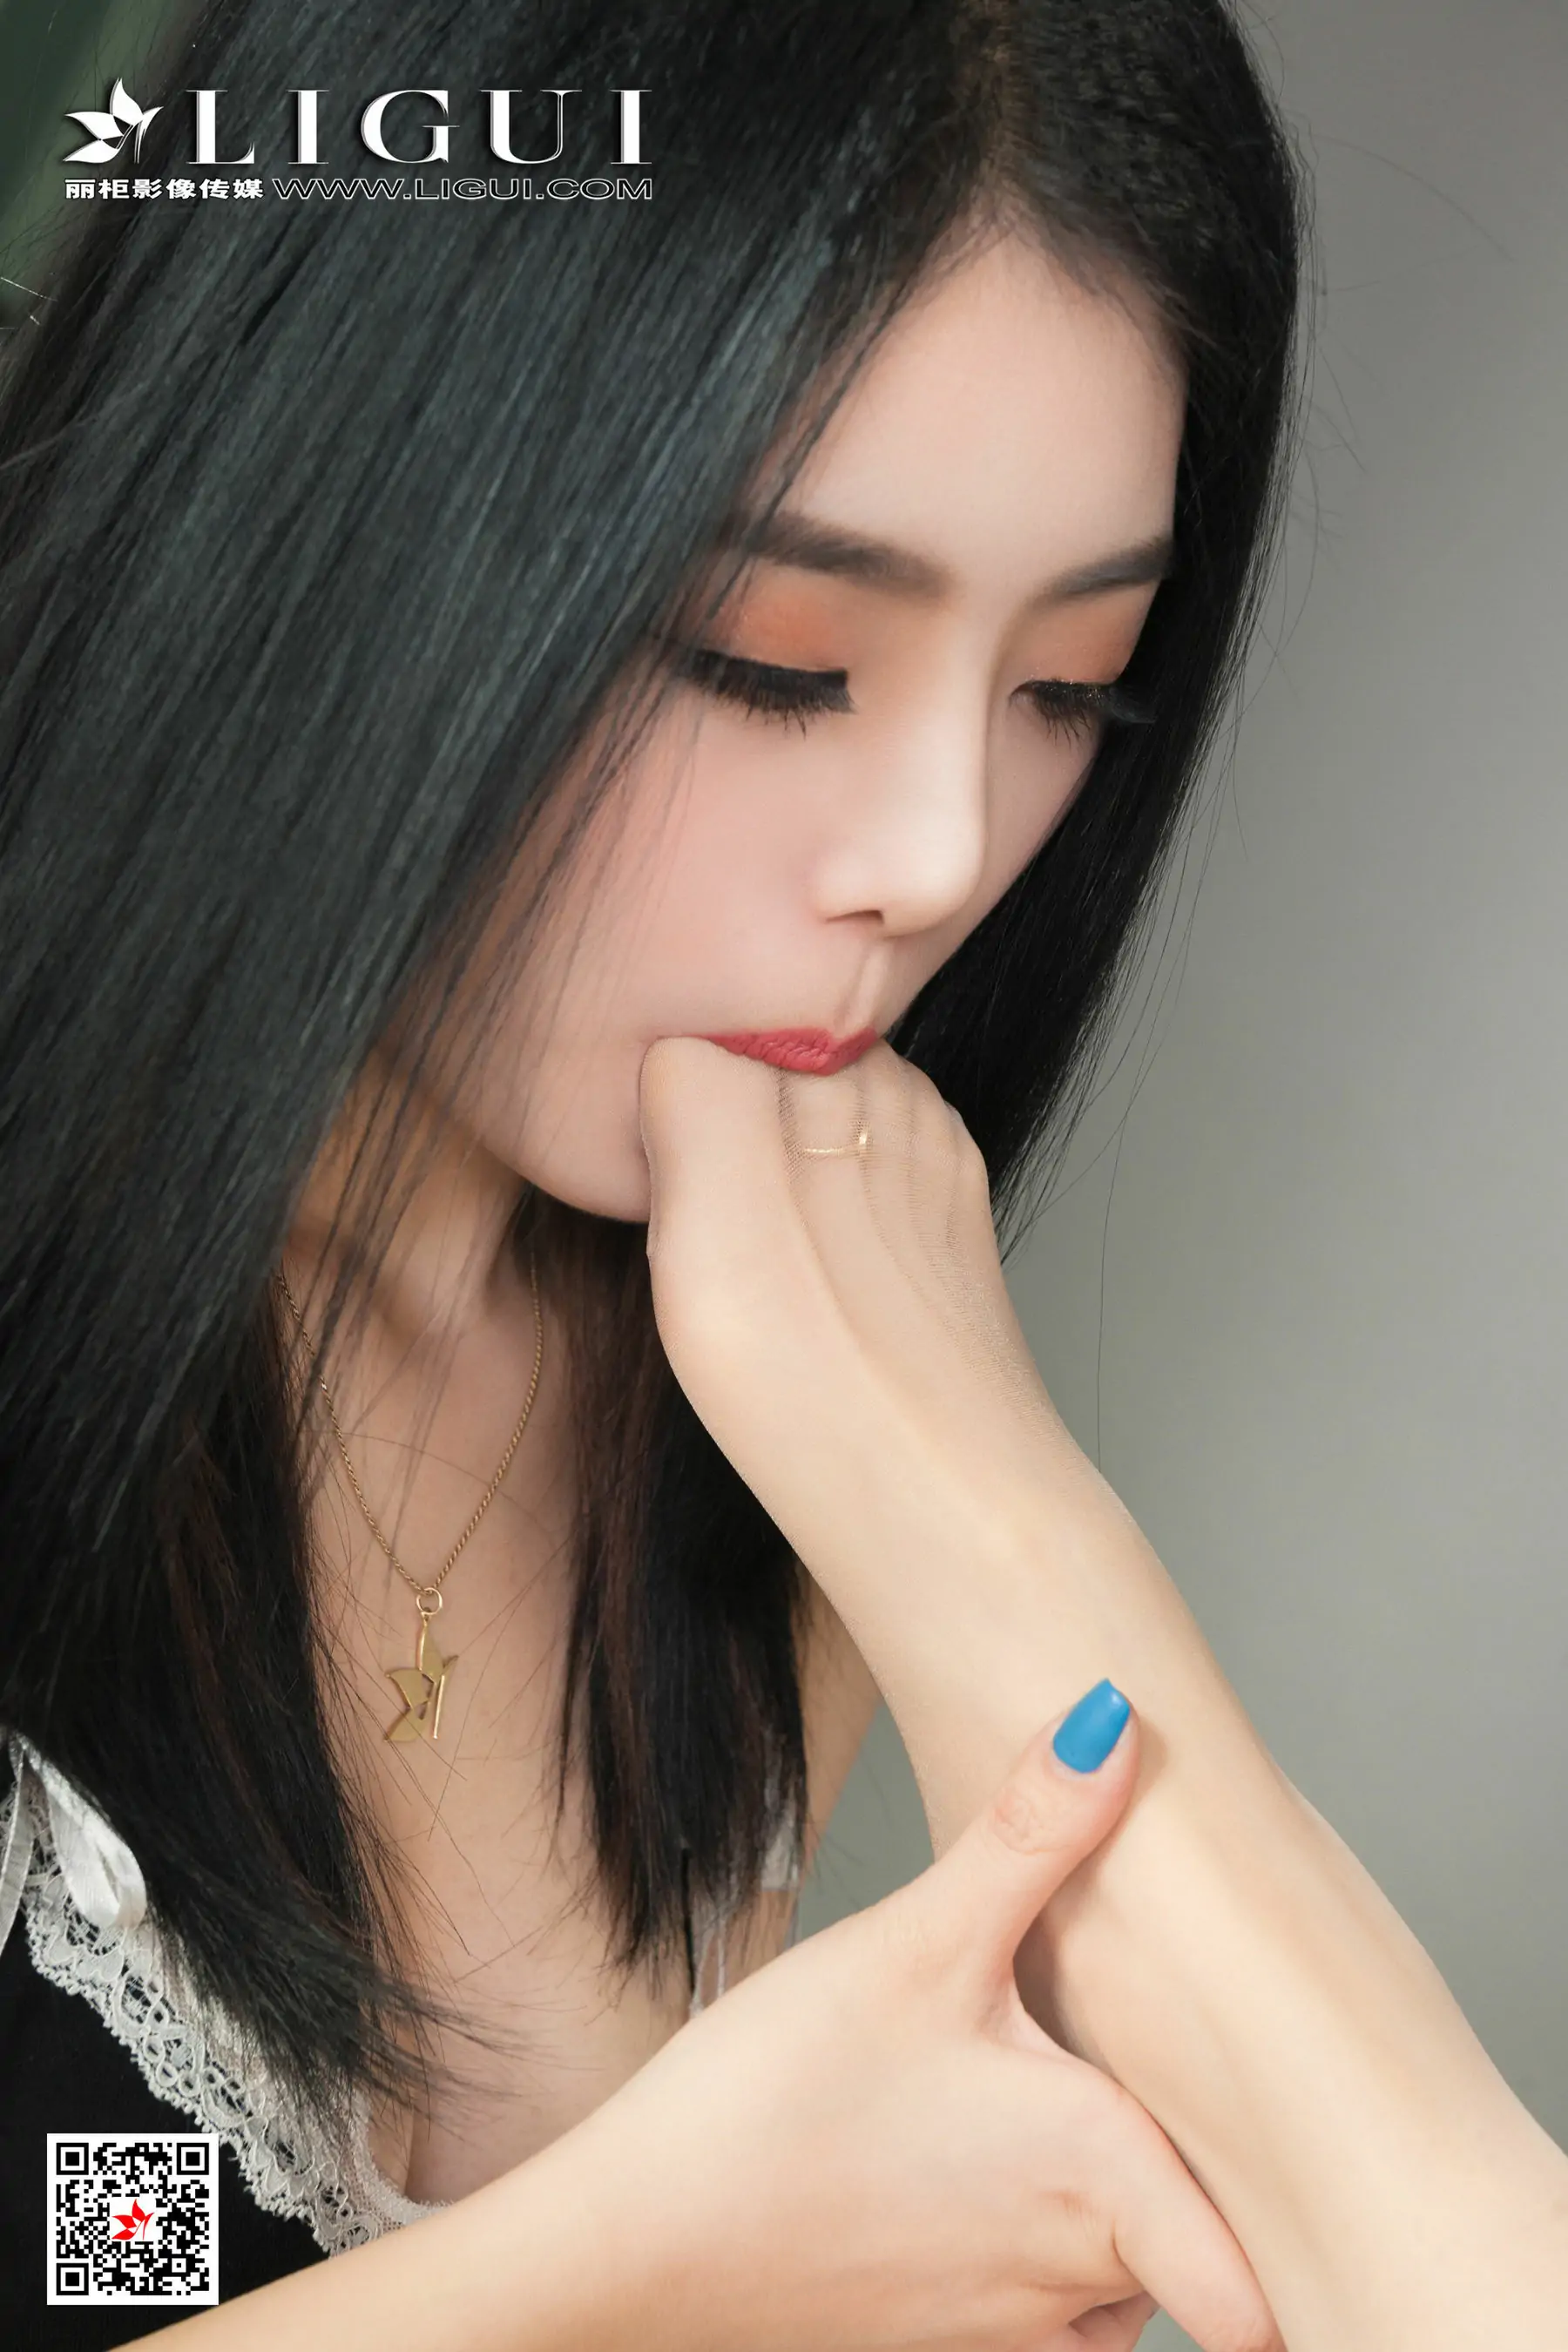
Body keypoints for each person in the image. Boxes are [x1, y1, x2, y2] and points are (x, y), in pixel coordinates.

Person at [10, 3, 1546, 2349]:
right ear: (321, 517)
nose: (942, 852)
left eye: (1071, 686)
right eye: (773, 658)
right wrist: (648, 2269)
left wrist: (973, 1500)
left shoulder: (762, 1375)